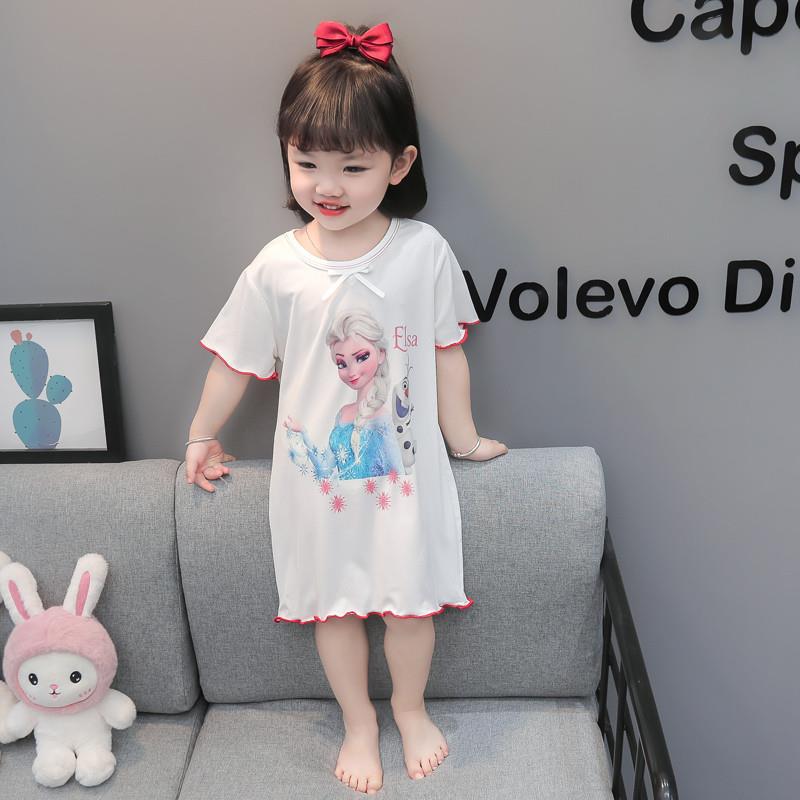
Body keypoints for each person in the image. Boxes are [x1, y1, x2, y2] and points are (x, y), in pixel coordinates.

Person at [184, 20, 508, 796]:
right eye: (307, 163)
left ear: (399, 164)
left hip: (405, 482)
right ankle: (358, 722)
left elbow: (445, 352)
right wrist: (200, 434)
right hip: (316, 487)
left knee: (409, 609)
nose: (327, 186)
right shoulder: (277, 267)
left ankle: (409, 710)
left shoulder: (422, 253)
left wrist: (463, 439)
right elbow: (235, 361)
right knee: (334, 611)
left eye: (353, 167)